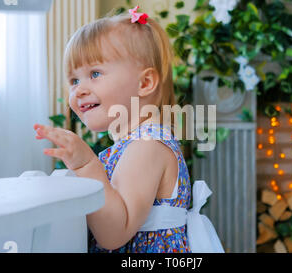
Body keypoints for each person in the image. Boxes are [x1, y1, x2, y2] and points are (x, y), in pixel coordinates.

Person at [34, 6, 223, 253]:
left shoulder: (147, 145)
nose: (79, 90)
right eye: (74, 80)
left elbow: (114, 234)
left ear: (145, 83)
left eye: (95, 73)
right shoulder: (134, 144)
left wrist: (85, 166)